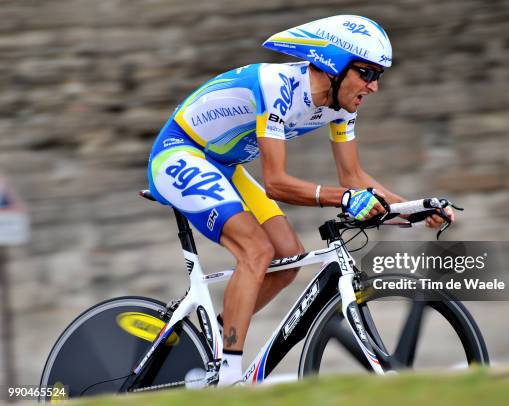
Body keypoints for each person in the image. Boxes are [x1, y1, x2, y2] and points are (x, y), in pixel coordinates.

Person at [147, 15, 453, 385]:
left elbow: (354, 179)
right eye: (367, 74)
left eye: (378, 76)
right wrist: (344, 199)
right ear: (334, 67)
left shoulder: (341, 106)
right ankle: (226, 377)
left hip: (226, 165)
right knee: (256, 251)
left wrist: (415, 210)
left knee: (287, 259)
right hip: (181, 154)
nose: (373, 87)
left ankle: (213, 342)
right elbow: (276, 183)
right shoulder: (278, 87)